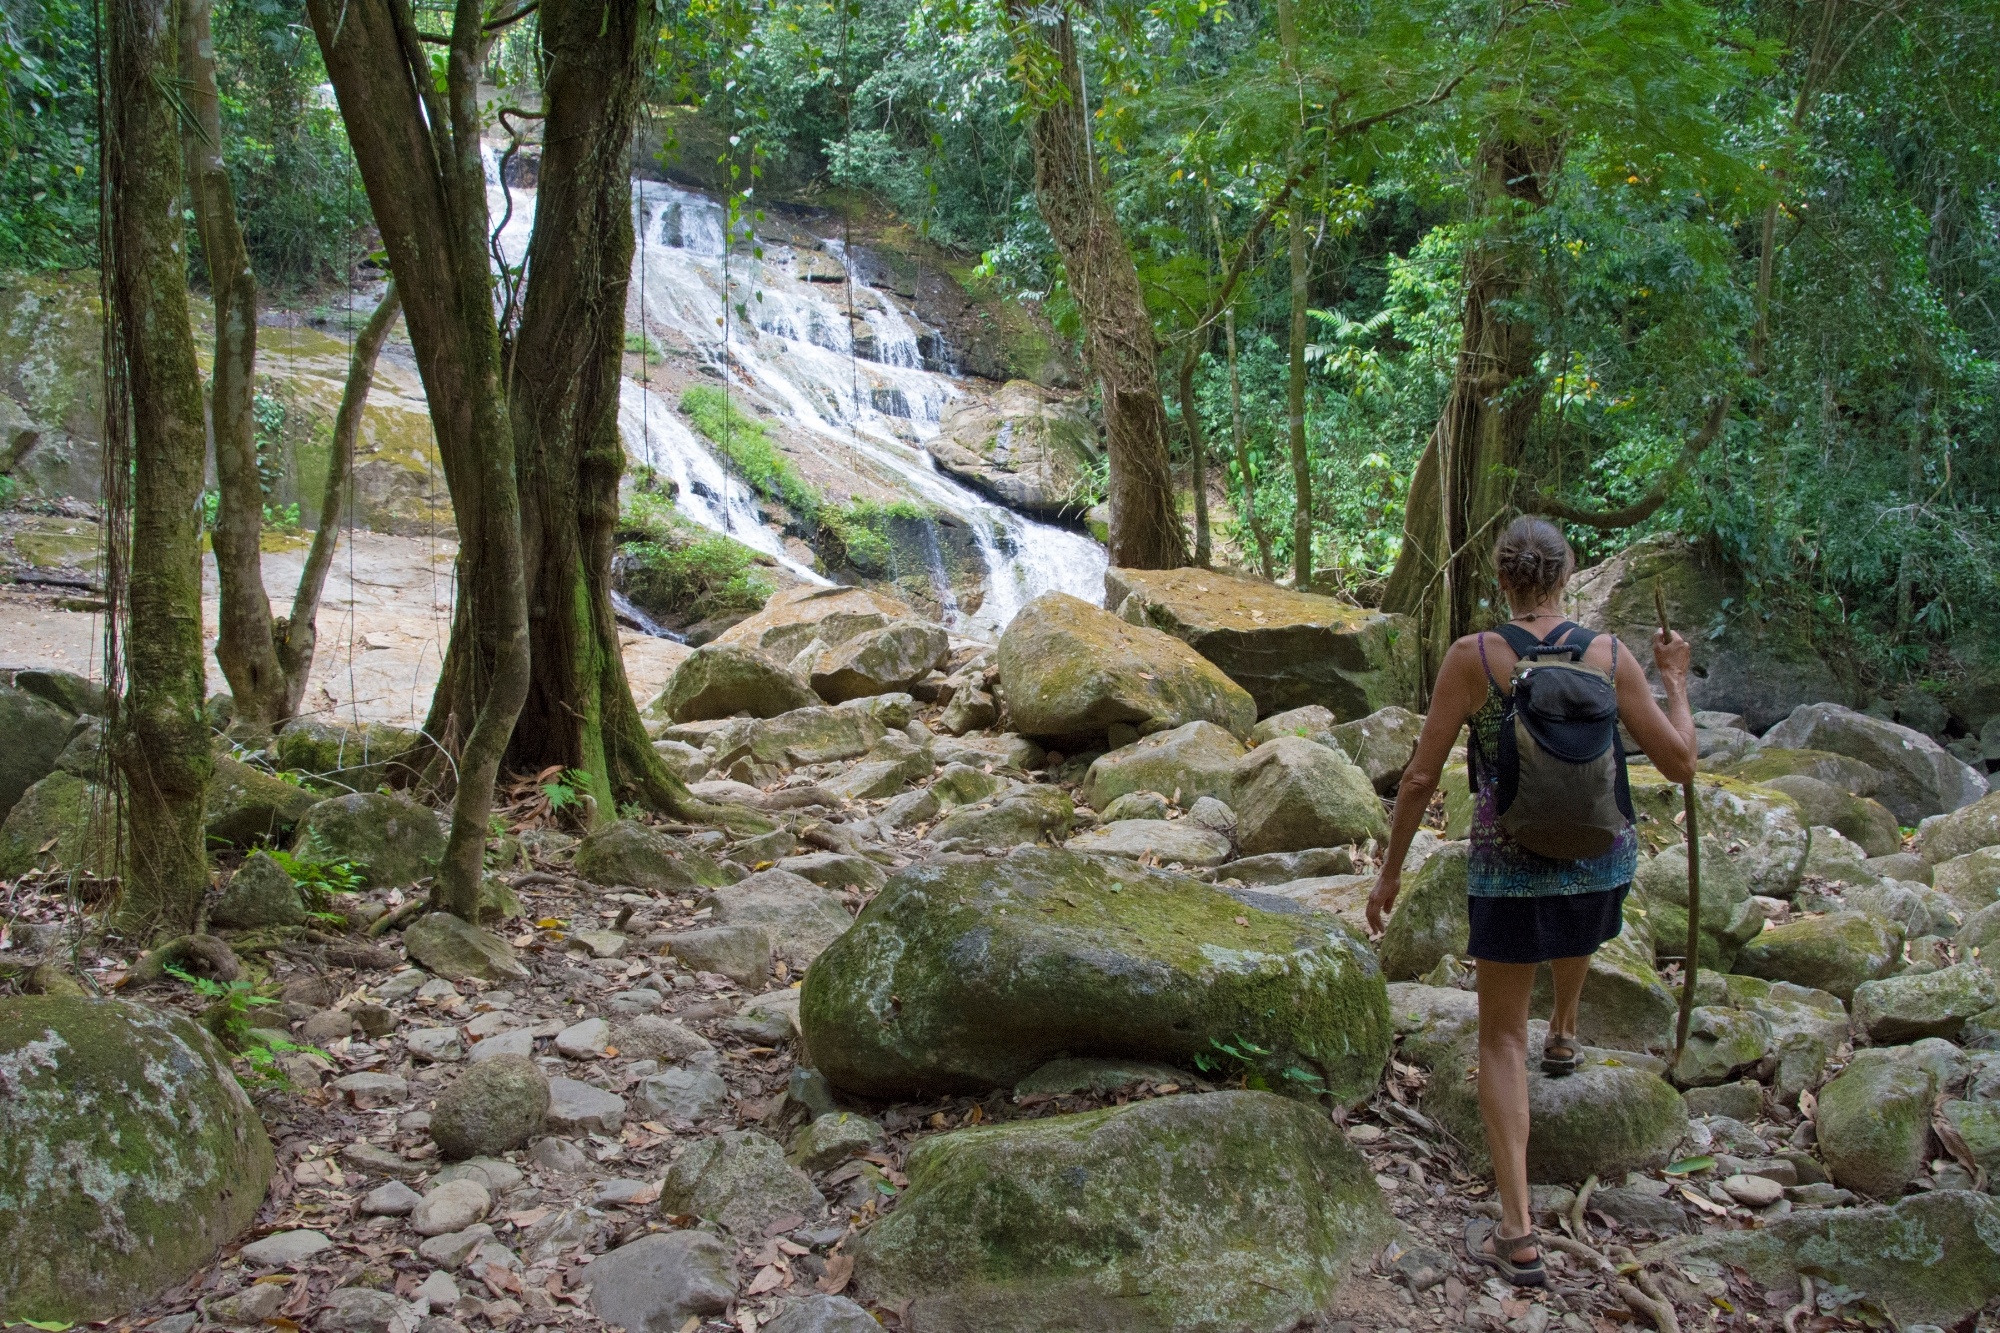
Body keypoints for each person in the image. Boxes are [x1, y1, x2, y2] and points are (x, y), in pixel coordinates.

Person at [1365, 515, 1695, 1288]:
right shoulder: (1610, 655)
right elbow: (1680, 761)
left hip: (1507, 871)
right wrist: (1676, 676)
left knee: (1500, 1038)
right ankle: (1569, 1027)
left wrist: (1389, 873)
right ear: (1566, 575)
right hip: (1600, 864)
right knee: (1573, 903)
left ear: (1502, 580)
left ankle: (1517, 1231)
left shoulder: (1475, 657)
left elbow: (1419, 776)